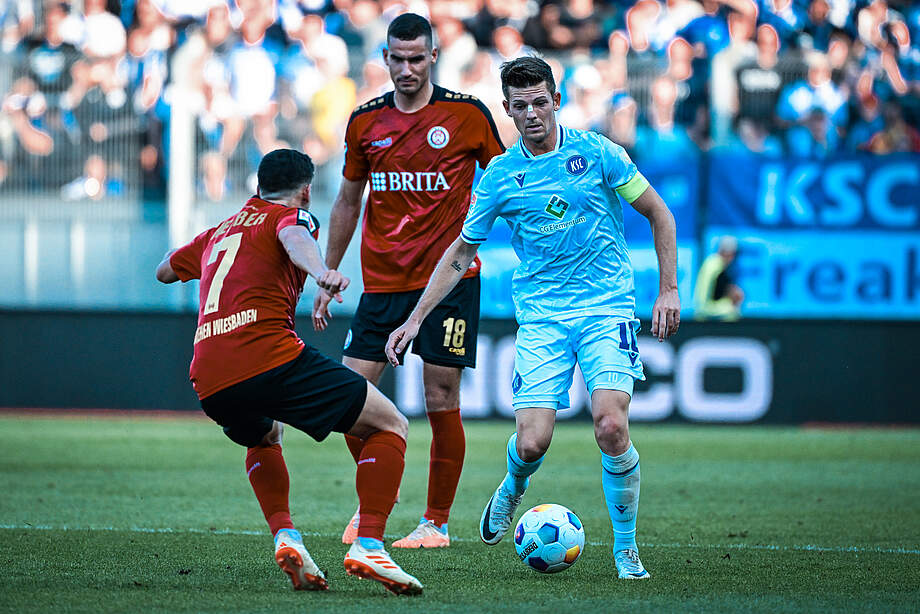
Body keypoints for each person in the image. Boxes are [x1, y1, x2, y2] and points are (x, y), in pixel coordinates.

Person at [385, 57, 681, 580]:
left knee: (611, 426)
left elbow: (660, 212)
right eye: (520, 107)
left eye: (540, 102)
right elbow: (460, 253)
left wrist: (669, 290)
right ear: (507, 110)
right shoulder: (500, 176)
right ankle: (513, 486)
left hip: (605, 308)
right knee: (532, 442)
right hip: (543, 317)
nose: (532, 114)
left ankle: (626, 550)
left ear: (556, 101)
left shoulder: (596, 152)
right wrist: (414, 319)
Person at [155, 149, 422, 596]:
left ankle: (287, 536)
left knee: (264, 435)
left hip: (209, 376)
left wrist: (199, 250)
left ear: (256, 188)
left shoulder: (218, 231)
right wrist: (322, 272)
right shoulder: (292, 216)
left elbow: (165, 271)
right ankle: (370, 543)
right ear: (306, 191)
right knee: (389, 424)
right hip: (267, 354)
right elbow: (295, 237)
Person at [315, 13, 505, 549]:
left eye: (416, 58)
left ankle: (436, 523)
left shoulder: (467, 116)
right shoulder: (364, 122)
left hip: (449, 281)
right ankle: (382, 486)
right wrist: (329, 273)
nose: (406, 69)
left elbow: (509, 176)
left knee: (440, 394)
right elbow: (348, 199)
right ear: (385, 60)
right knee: (348, 398)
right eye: (396, 59)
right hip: (381, 283)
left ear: (434, 56)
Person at [693, 235, 744, 320]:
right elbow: (702, 305)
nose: (733, 258)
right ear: (728, 253)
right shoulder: (715, 266)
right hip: (706, 320)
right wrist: (730, 307)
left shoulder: (714, 264)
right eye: (733, 254)